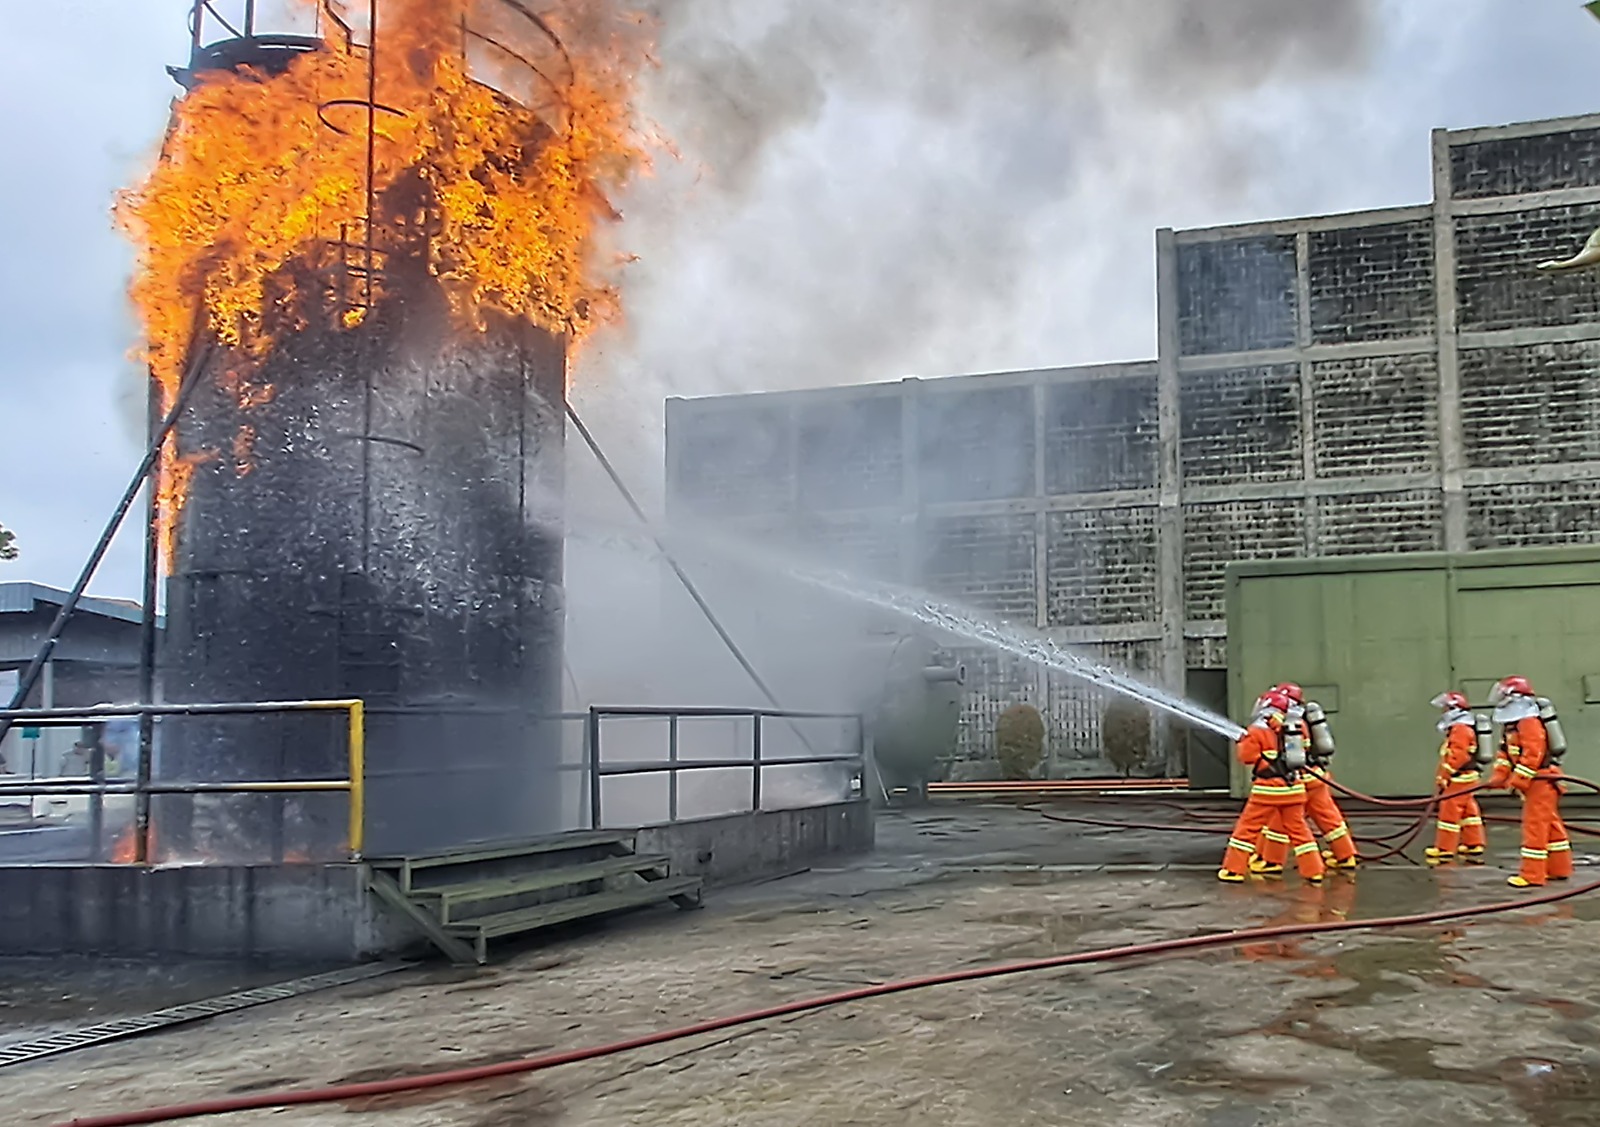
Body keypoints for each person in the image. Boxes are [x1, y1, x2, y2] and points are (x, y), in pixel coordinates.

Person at [1218, 688, 1325, 885]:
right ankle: (1314, 871)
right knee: (1300, 831)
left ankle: (1233, 871)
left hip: (1267, 791)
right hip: (1294, 788)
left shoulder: (1257, 730)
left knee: (1246, 829)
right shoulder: (1296, 726)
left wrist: (1244, 743)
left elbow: (1246, 758)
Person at [1251, 682, 1358, 874]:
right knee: (1329, 817)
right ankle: (1345, 855)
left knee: (1281, 820)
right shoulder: (1306, 718)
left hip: (1299, 779)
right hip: (1316, 776)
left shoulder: (1289, 723)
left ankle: (1271, 861)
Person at [1487, 676, 1571, 889]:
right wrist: (1499, 776)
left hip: (1541, 780)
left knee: (1535, 826)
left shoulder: (1528, 721)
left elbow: (1533, 754)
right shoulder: (1511, 724)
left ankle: (1532, 875)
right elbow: (1506, 753)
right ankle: (1559, 868)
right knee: (1550, 825)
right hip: (1536, 781)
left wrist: (1519, 780)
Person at [1425, 691, 1486, 866]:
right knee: (1468, 810)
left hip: (1460, 777)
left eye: (1445, 708)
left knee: (1449, 809)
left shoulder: (1460, 729)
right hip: (1467, 776)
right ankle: (1473, 843)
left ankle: (1445, 848)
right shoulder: (1462, 727)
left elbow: (1458, 756)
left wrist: (1445, 775)